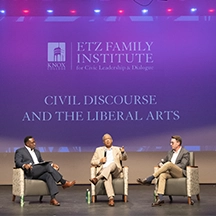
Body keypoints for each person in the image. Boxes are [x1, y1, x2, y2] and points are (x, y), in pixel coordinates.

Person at [15, 136, 76, 206]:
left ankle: (53, 198)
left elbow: (41, 162)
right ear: (27, 144)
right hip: (30, 171)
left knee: (48, 175)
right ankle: (63, 182)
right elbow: (18, 163)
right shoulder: (20, 151)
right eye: (32, 142)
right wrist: (24, 165)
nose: (35, 144)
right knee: (47, 166)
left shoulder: (37, 152)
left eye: (34, 142)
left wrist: (52, 165)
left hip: (38, 171)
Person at [137, 135, 189, 207]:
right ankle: (160, 198)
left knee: (169, 164)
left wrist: (170, 166)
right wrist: (161, 164)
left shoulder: (185, 152)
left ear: (178, 143)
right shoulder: (170, 152)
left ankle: (150, 178)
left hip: (180, 173)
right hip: (170, 173)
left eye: (172, 143)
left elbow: (183, 165)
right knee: (162, 175)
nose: (170, 144)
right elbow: (163, 161)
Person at [89, 133, 127, 207]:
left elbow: (124, 158)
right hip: (104, 171)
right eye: (105, 140)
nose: (107, 141)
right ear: (103, 142)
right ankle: (111, 198)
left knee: (112, 164)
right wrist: (100, 160)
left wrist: (122, 152)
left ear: (112, 140)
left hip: (115, 171)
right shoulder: (98, 150)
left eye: (109, 139)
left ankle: (97, 178)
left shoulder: (117, 149)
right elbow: (92, 162)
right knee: (107, 176)